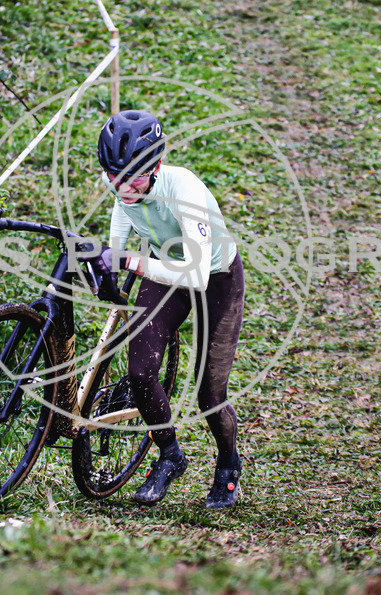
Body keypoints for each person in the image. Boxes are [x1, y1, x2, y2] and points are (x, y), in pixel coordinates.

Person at [90, 109, 246, 509]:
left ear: (156, 165)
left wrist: (131, 263)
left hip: (215, 278)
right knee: (140, 372)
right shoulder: (122, 186)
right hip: (164, 272)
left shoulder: (184, 190)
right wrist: (109, 264)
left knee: (209, 393)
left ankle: (228, 465)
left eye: (135, 178)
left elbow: (195, 274)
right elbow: (119, 240)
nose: (122, 188)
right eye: (113, 177)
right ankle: (170, 455)